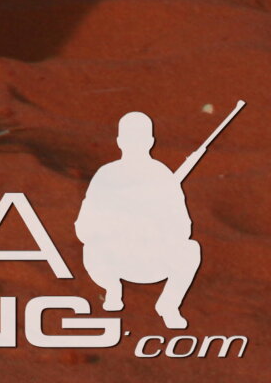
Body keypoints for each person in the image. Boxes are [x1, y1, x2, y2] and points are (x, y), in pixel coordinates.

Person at [78, 108, 210, 330]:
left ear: (150, 141)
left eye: (138, 139)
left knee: (191, 249)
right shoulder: (106, 175)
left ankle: (168, 304)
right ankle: (112, 289)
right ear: (120, 141)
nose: (134, 144)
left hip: (152, 259)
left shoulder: (162, 176)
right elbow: (84, 227)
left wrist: (154, 225)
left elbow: (183, 228)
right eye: (131, 139)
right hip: (114, 259)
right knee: (92, 249)